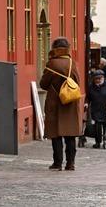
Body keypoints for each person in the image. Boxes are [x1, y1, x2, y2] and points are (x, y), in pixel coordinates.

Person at [39, 38, 83, 171]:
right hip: (70, 102)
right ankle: (71, 163)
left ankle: (57, 163)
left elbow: (43, 84)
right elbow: (78, 81)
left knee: (56, 134)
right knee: (70, 134)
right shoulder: (72, 63)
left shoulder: (52, 64)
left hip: (56, 102)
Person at [85, 70, 106, 148]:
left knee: (105, 124)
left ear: (103, 78)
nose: (98, 80)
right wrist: (86, 103)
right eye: (96, 79)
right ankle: (98, 142)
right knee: (97, 125)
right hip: (95, 109)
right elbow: (88, 97)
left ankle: (105, 138)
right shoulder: (91, 86)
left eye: (100, 78)